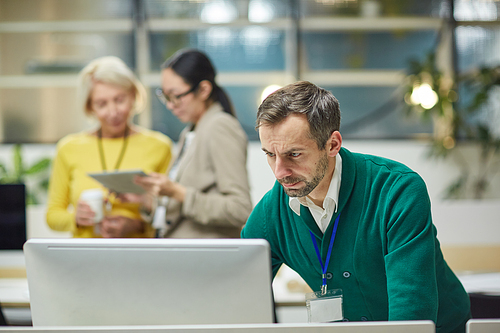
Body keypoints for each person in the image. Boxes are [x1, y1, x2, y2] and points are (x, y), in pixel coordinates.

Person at [241, 81, 471, 332]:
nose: (279, 172)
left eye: (294, 154)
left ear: (332, 145)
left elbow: (411, 313)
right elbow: (238, 290)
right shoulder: (271, 213)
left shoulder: (397, 191)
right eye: (270, 155)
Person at [129, 48, 252, 238]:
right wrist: (145, 200)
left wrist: (177, 192)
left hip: (207, 259)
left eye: (176, 96)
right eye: (165, 96)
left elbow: (239, 209)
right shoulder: (191, 131)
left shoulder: (220, 126)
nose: (170, 105)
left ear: (203, 90)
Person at [46, 56, 173, 238]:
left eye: (120, 100)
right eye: (102, 104)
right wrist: (76, 218)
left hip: (140, 258)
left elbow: (171, 214)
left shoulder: (160, 146)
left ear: (133, 96)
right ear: (89, 107)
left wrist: (137, 225)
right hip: (84, 259)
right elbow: (53, 216)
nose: (113, 112)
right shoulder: (69, 148)